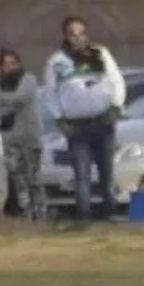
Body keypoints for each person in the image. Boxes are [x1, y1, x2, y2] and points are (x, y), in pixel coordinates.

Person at [43, 15, 126, 227]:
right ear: (65, 36)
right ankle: (84, 215)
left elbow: (117, 81)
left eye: (81, 33)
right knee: (82, 173)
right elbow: (50, 93)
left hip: (103, 121)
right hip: (76, 125)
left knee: (107, 170)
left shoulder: (101, 54)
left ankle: (110, 211)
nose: (77, 38)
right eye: (73, 34)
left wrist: (116, 107)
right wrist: (59, 118)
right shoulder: (57, 61)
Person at [0, 48, 45, 221]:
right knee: (17, 178)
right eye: (5, 64)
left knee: (34, 178)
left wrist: (5, 101)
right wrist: (7, 103)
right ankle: (24, 213)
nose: (10, 67)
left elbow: (21, 98)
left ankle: (39, 212)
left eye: (13, 63)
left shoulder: (28, 79)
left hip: (30, 137)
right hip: (10, 138)